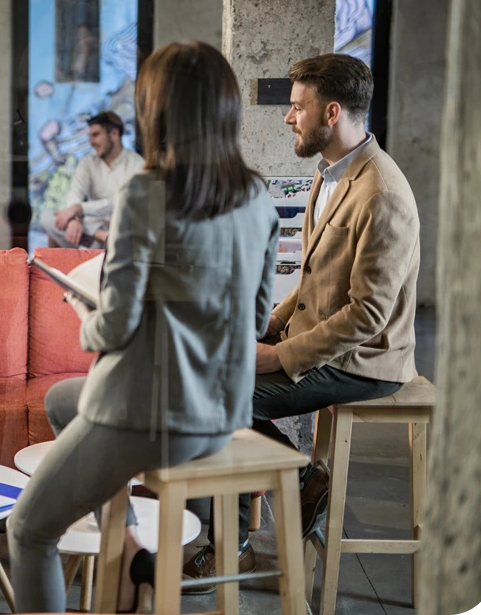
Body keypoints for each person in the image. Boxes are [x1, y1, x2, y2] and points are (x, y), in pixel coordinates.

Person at [7, 41, 279, 613]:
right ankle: (129, 547)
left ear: (159, 114)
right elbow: (255, 321)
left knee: (29, 529)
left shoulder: (147, 192)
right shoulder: (257, 198)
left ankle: (127, 552)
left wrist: (86, 315)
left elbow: (114, 329)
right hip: (222, 414)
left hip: (148, 414)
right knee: (62, 400)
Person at [182, 52, 420, 589]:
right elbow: (315, 278)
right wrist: (269, 323)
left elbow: (368, 315)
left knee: (222, 399)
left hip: (368, 361)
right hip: (327, 341)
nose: (288, 117)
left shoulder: (382, 194)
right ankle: (301, 480)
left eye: (297, 107)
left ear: (331, 112)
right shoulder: (330, 173)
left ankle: (240, 537)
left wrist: (278, 355)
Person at [38, 111, 144, 249]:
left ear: (114, 134)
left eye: (96, 135)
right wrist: (75, 219)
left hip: (122, 231)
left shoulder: (137, 164)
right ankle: (100, 236)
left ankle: (97, 240)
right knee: (47, 216)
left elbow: (121, 202)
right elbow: (75, 194)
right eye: (90, 136)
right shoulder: (87, 163)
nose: (91, 142)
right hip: (91, 229)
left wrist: (80, 208)